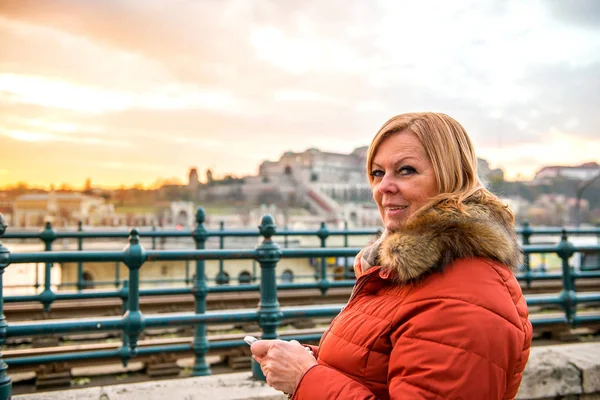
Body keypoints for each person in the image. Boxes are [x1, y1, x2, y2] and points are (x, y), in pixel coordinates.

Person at [251, 112, 533, 399]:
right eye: (377, 173)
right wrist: (305, 362)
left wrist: (304, 378)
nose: (383, 186)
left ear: (451, 177)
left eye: (406, 170)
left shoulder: (464, 294)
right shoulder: (411, 274)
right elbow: (380, 369)